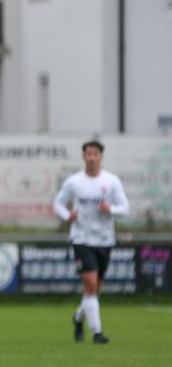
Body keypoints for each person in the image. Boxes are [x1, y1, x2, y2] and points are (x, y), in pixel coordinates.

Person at [52, 141, 129, 344]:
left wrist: (110, 210)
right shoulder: (74, 182)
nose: (92, 157)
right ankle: (97, 333)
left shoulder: (111, 181)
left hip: (105, 240)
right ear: (83, 156)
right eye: (89, 153)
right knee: (91, 283)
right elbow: (58, 204)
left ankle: (78, 318)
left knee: (94, 289)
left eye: (96, 154)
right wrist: (68, 216)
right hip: (82, 239)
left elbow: (125, 207)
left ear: (101, 156)